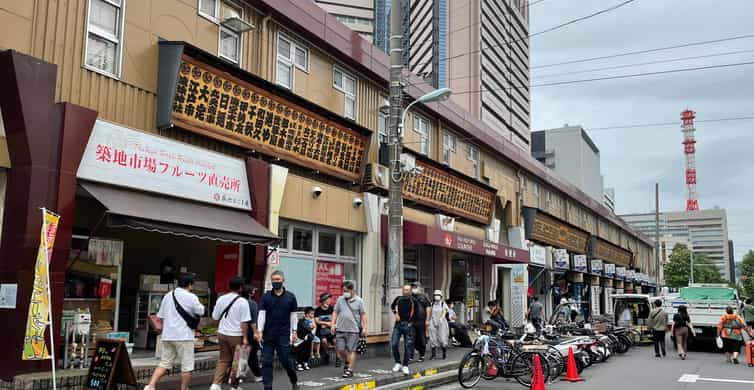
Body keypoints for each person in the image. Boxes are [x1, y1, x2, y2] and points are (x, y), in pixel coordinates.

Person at [144, 273, 204, 390]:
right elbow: (201, 311)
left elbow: (160, 316)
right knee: (186, 366)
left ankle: (150, 386)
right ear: (190, 285)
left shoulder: (168, 296)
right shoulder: (191, 297)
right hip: (184, 336)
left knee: (164, 363)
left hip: (167, 336)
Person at [257, 270, 299, 390]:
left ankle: (294, 381)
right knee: (267, 362)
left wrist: (294, 332)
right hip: (268, 335)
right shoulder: (266, 296)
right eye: (274, 280)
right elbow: (261, 314)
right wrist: (259, 331)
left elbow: (293, 316)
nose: (276, 282)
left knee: (286, 360)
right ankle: (268, 387)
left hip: (283, 335)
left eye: (278, 280)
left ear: (283, 280)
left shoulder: (290, 297)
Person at [210, 277, 251, 390]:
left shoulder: (221, 299)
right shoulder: (243, 302)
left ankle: (215, 385)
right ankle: (234, 386)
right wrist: (245, 338)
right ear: (241, 288)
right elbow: (244, 322)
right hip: (236, 335)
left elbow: (214, 317)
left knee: (223, 359)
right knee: (238, 361)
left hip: (222, 333)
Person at [332, 280, 368, 378]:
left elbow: (363, 315)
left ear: (352, 290)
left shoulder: (359, 301)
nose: (345, 293)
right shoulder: (340, 299)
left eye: (346, 291)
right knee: (340, 349)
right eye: (343, 291)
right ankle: (348, 362)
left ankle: (349, 370)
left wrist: (364, 327)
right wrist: (332, 324)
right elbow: (335, 312)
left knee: (351, 350)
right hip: (340, 328)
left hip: (353, 330)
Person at [390, 285, 417, 375]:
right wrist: (395, 314)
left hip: (408, 326)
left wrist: (412, 323)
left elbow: (418, 313)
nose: (406, 291)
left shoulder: (413, 301)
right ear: (402, 290)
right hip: (398, 325)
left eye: (408, 290)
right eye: (404, 290)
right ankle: (398, 362)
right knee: (394, 344)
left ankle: (405, 365)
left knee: (407, 346)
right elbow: (392, 306)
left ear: (410, 291)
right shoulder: (398, 299)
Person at [242, 285, 263, 382]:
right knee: (252, 355)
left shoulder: (238, 302)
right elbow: (253, 321)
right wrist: (256, 332)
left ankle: (238, 376)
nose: (255, 292)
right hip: (250, 332)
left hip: (237, 331)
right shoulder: (252, 303)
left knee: (241, 354)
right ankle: (258, 375)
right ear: (250, 293)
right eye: (254, 291)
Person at [409, 282, 432, 362]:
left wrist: (427, 320)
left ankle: (421, 355)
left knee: (421, 339)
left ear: (419, 288)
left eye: (415, 287)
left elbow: (428, 308)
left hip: (421, 321)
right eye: (412, 287)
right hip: (412, 321)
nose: (413, 288)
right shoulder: (410, 297)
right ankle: (410, 357)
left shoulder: (424, 297)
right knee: (411, 339)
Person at [294, 307, 319, 371]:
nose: (313, 315)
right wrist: (309, 328)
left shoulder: (311, 320)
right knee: (301, 350)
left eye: (313, 314)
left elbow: (313, 330)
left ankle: (305, 361)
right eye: (312, 314)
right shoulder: (301, 321)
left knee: (307, 350)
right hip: (301, 339)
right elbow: (302, 329)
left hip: (308, 338)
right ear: (307, 314)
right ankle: (298, 363)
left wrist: (311, 328)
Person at [428, 290, 450, 360]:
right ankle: (433, 355)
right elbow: (430, 313)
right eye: (435, 295)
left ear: (441, 296)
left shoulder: (443, 304)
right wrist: (429, 321)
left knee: (442, 338)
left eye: (438, 295)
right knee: (433, 338)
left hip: (442, 322)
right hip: (433, 321)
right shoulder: (432, 304)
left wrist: (441, 318)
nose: (436, 296)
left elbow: (444, 312)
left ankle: (444, 353)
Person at [314, 293, 335, 364]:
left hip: (331, 330)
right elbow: (316, 321)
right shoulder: (317, 310)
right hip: (321, 331)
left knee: (336, 340)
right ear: (322, 301)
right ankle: (326, 353)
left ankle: (338, 357)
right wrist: (326, 323)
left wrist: (330, 324)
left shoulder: (332, 308)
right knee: (323, 341)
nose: (329, 301)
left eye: (329, 299)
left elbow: (335, 319)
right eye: (327, 300)